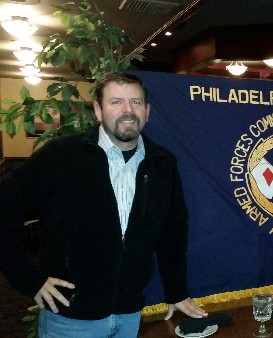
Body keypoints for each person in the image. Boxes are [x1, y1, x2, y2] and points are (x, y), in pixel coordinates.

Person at [0, 72, 207, 337]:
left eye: (136, 102)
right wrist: (30, 279)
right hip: (71, 318)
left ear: (147, 111)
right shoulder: (61, 156)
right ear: (98, 110)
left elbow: (173, 231)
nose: (128, 110)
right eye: (116, 102)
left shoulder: (162, 163)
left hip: (130, 315)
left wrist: (176, 290)